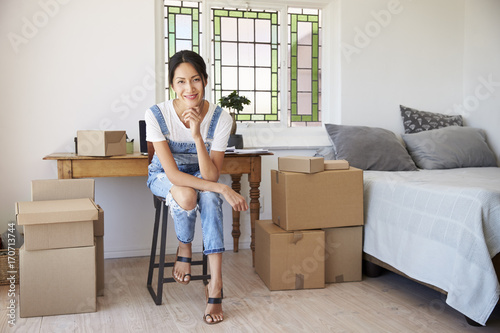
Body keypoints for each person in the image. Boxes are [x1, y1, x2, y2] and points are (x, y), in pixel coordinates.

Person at [145, 50, 248, 325]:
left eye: (195, 80)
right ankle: (184, 247)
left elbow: (211, 174)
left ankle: (216, 285)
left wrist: (197, 135)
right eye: (180, 81)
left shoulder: (221, 118)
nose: (189, 88)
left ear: (204, 80)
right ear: (171, 85)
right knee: (190, 195)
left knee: (211, 199)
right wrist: (222, 188)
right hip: (165, 177)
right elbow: (173, 174)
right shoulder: (157, 115)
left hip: (201, 176)